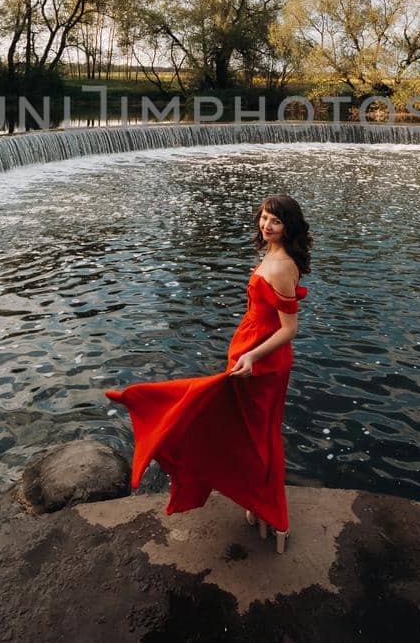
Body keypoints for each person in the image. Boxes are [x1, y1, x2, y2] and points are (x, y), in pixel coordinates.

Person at [105, 194, 311, 553]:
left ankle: (275, 514)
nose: (266, 226)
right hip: (250, 359)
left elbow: (289, 329)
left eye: (275, 222)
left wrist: (251, 356)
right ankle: (260, 504)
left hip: (261, 365)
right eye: (264, 218)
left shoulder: (280, 266)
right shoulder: (273, 255)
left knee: (257, 435)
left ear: (288, 226)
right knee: (248, 434)